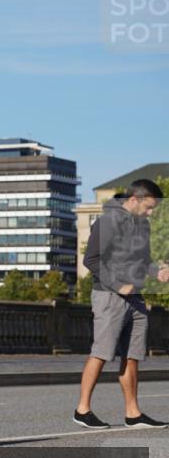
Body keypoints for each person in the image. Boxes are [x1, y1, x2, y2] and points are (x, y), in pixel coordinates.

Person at [75, 178, 169, 429]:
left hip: (136, 297)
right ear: (134, 199)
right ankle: (82, 409)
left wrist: (156, 271)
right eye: (148, 207)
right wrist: (118, 286)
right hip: (109, 295)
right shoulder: (107, 222)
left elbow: (144, 260)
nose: (150, 213)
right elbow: (91, 260)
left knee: (133, 355)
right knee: (102, 352)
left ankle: (133, 413)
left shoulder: (143, 226)